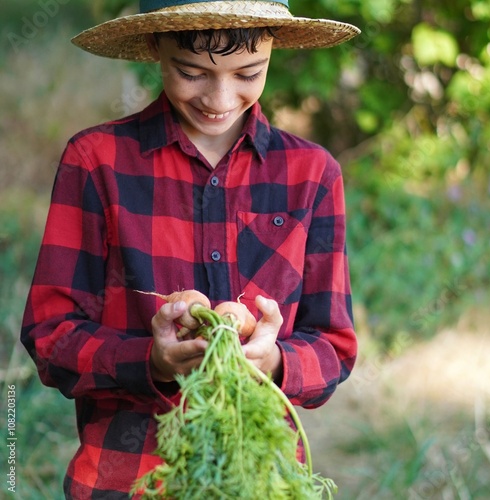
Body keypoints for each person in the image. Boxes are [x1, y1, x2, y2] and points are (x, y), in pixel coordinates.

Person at [21, 1, 360, 498]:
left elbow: (334, 345)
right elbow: (50, 334)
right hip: (127, 478)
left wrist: (274, 362)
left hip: (260, 478)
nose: (220, 97)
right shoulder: (97, 162)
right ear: (156, 49)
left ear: (272, 53)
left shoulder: (312, 174)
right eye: (191, 72)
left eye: (248, 73)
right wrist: (149, 362)